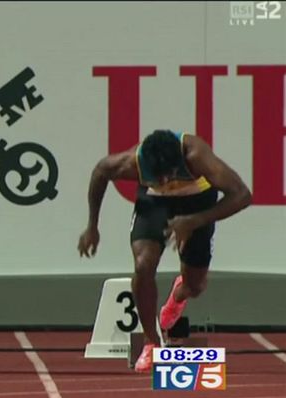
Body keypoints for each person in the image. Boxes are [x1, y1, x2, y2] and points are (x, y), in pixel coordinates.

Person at [78, 129, 251, 372]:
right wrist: (92, 226)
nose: (164, 182)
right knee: (143, 265)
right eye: (156, 177)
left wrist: (194, 221)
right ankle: (151, 342)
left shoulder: (196, 156)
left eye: (168, 176)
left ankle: (179, 294)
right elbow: (100, 171)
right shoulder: (132, 162)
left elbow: (242, 195)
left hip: (197, 203)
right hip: (155, 203)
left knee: (195, 286)